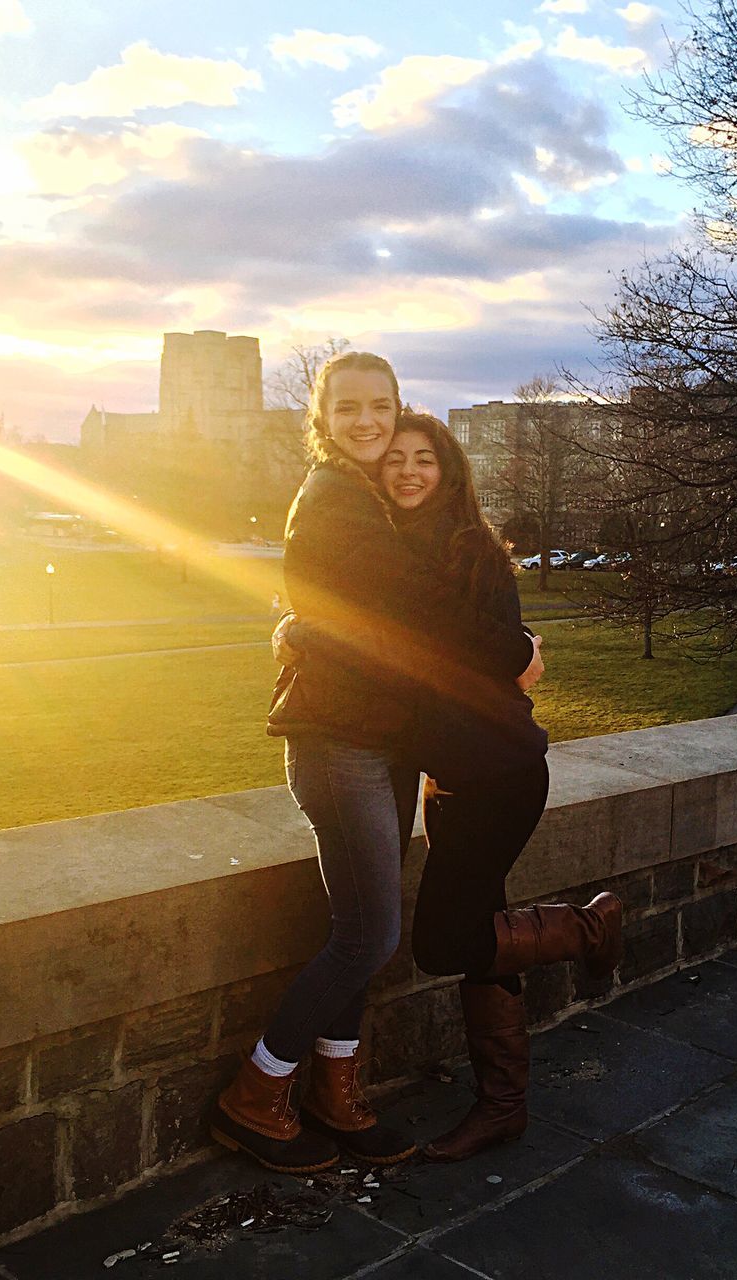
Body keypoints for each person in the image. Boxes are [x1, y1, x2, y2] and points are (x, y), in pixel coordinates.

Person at [210, 353, 540, 1174]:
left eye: (381, 407)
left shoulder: (364, 497)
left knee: (362, 926)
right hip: (338, 742)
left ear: (397, 410)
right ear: (322, 416)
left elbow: (357, 613)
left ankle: (336, 1094)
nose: (367, 421)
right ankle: (256, 1091)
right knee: (370, 935)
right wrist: (516, 650)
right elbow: (416, 615)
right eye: (348, 407)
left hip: (381, 741)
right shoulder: (334, 497)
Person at [378, 412, 622, 1162]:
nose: (410, 471)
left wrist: (518, 647)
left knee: (443, 940)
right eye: (395, 460)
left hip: (501, 775)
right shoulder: (386, 548)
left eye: (425, 458)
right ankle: (502, 1107)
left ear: (450, 471)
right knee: (487, 939)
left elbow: (482, 646)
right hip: (449, 780)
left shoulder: (470, 549)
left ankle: (588, 927)